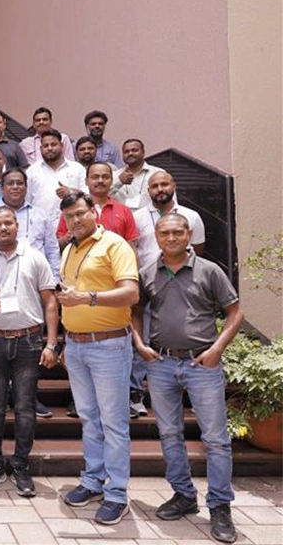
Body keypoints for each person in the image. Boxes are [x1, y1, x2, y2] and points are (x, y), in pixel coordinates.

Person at [131, 213, 242, 544]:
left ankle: (220, 506)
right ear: (157, 236)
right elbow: (135, 311)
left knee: (216, 439)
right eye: (164, 233)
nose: (171, 238)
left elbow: (235, 313)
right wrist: (139, 344)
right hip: (161, 363)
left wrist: (217, 349)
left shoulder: (209, 271)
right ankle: (183, 495)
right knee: (169, 433)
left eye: (178, 232)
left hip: (202, 364)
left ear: (189, 233)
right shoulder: (147, 273)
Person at [56, 191, 139, 526]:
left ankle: (116, 493)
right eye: (69, 217)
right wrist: (67, 338)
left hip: (109, 345)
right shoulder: (69, 249)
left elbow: (131, 292)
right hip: (76, 345)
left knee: (113, 423)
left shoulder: (114, 245)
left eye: (80, 213)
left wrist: (88, 298)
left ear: (94, 211)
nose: (75, 220)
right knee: (89, 418)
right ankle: (93, 480)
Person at [0, 207, 58, 497]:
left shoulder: (35, 257)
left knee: (25, 405)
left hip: (28, 340)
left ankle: (20, 464)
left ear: (17, 225)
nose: (3, 228)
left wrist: (51, 343)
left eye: (8, 222)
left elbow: (50, 302)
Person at [130, 170, 206, 417]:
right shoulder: (138, 217)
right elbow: (134, 249)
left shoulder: (191, 216)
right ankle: (137, 395)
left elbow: (198, 250)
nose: (160, 189)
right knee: (143, 341)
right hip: (148, 285)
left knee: (185, 335)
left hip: (183, 286)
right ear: (148, 190)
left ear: (174, 185)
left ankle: (190, 392)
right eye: (154, 186)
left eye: (164, 184)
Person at [57, 162, 139, 250]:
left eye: (105, 177)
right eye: (95, 177)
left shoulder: (124, 211)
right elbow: (58, 245)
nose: (100, 181)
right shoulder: (71, 210)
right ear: (86, 181)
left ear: (111, 181)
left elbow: (131, 247)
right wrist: (66, 239)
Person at [25, 129, 87, 221]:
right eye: (46, 146)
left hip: (72, 223)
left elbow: (88, 197)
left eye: (53, 144)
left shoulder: (77, 169)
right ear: (41, 149)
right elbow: (26, 201)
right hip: (40, 225)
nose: (50, 148)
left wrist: (70, 193)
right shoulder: (32, 171)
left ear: (61, 146)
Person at [110, 138, 164, 210]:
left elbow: (169, 199)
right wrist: (119, 182)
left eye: (134, 150)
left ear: (143, 153)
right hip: (121, 216)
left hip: (150, 216)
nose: (130, 153)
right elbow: (101, 197)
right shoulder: (114, 176)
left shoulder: (157, 173)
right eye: (126, 151)